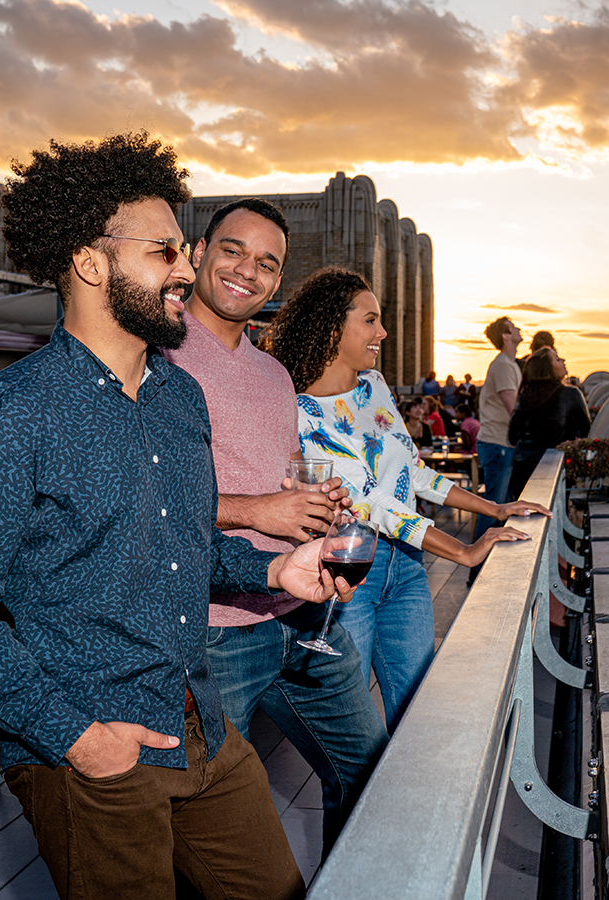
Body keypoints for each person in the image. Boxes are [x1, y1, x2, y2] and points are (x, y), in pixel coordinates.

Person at [0, 133, 352, 900]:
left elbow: (189, 549)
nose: (187, 270)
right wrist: (74, 739)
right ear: (90, 261)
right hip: (95, 755)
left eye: (184, 250)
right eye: (164, 252)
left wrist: (273, 568)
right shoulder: (6, 418)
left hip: (205, 728)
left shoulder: (179, 398)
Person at [163, 197, 387, 859]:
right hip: (215, 627)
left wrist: (312, 494)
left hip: (301, 613)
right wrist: (257, 509)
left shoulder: (272, 372)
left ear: (278, 281)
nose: (247, 270)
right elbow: (148, 498)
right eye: (232, 250)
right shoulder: (158, 358)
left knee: (370, 772)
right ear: (198, 254)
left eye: (266, 263)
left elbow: (286, 469)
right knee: (201, 818)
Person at [266, 267, 550, 732]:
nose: (383, 331)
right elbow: (370, 507)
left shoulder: (374, 385)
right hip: (349, 576)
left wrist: (494, 507)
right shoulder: (297, 410)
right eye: (371, 320)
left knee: (416, 712)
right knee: (352, 731)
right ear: (334, 327)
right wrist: (461, 549)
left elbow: (412, 474)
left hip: (408, 571)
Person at [471, 316, 523, 583]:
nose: (519, 330)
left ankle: (482, 568)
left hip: (500, 444)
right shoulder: (503, 365)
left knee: (497, 505)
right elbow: (513, 409)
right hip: (498, 444)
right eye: (514, 327)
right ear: (505, 335)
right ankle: (478, 570)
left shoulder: (508, 364)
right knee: (494, 508)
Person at [507, 347, 591, 499]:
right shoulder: (571, 394)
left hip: (523, 471)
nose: (563, 361)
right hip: (557, 471)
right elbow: (588, 434)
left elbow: (512, 437)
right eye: (558, 359)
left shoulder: (524, 397)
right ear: (548, 369)